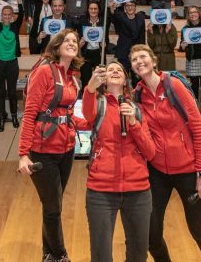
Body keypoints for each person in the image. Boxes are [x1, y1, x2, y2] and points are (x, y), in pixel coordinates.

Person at [130, 44, 201, 262]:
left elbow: (198, 129)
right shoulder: (137, 95)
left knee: (200, 231)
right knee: (151, 236)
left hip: (188, 171)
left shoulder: (174, 86)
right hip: (157, 172)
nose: (139, 62)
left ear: (154, 61)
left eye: (143, 57)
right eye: (134, 60)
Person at [18, 29, 85, 262]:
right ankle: (60, 254)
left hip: (66, 149)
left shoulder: (71, 76)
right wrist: (23, 154)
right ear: (56, 47)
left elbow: (67, 115)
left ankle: (48, 254)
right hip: (42, 151)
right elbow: (30, 114)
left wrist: (94, 123)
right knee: (53, 207)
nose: (71, 43)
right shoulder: (45, 72)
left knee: (52, 205)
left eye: (74, 41)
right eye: (66, 40)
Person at [83, 62, 155, 262]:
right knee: (101, 255)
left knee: (139, 254)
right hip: (101, 190)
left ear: (125, 80)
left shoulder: (137, 109)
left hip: (138, 190)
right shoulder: (97, 103)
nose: (114, 71)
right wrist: (90, 88)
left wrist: (133, 124)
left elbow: (150, 152)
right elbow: (87, 113)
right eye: (110, 69)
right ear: (104, 80)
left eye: (119, 70)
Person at [0, 0, 24, 132]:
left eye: (10, 15)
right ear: (1, 16)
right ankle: (1, 118)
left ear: (12, 16)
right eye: (5, 14)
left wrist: (20, 2)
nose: (7, 17)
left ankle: (14, 116)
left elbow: (21, 15)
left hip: (12, 63)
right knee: (0, 92)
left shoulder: (15, 27)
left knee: (12, 92)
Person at [109, 0, 146, 72]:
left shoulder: (140, 18)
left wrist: (142, 51)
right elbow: (114, 18)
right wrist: (112, 9)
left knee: (136, 77)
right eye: (127, 6)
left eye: (132, 5)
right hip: (123, 52)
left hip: (136, 52)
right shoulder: (121, 17)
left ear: (135, 7)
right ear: (125, 8)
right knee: (123, 76)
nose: (130, 7)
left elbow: (142, 37)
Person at [77, 1, 106, 91]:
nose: (93, 10)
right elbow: (78, 37)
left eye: (95, 9)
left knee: (101, 79)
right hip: (86, 54)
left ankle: (101, 98)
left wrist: (104, 44)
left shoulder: (103, 22)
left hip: (99, 53)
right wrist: (79, 44)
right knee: (86, 80)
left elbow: (106, 37)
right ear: (88, 10)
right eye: (91, 8)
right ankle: (86, 98)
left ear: (98, 10)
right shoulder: (82, 22)